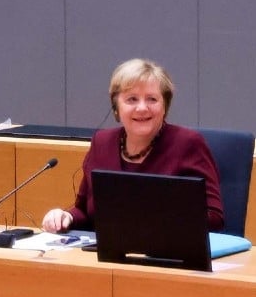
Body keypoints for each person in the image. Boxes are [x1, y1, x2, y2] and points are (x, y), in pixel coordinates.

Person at [41, 58, 224, 233]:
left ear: (164, 106)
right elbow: (84, 210)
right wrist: (66, 216)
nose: (142, 108)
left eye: (152, 99)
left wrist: (162, 222)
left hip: (168, 252)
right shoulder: (102, 142)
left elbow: (214, 218)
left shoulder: (188, 144)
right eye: (132, 99)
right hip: (110, 251)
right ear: (116, 107)